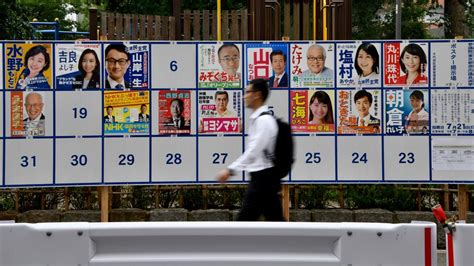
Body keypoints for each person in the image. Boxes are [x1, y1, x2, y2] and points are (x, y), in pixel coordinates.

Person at [217, 78, 284, 221]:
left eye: (248, 92)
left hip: (262, 179)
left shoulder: (263, 121)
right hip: (263, 178)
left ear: (257, 95)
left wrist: (230, 170)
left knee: (244, 222)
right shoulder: (259, 119)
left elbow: (253, 151)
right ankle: (291, 242)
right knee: (276, 221)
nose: (244, 96)